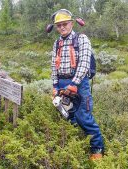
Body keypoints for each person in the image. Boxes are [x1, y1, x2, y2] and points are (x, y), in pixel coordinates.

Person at [50, 9, 104, 160]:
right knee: (68, 115)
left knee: (84, 116)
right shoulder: (57, 43)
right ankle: (76, 143)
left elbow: (85, 63)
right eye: (59, 25)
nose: (62, 27)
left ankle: (97, 150)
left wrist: (74, 83)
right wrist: (55, 86)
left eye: (64, 24)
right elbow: (54, 66)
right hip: (61, 82)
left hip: (80, 83)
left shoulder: (82, 39)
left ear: (71, 23)